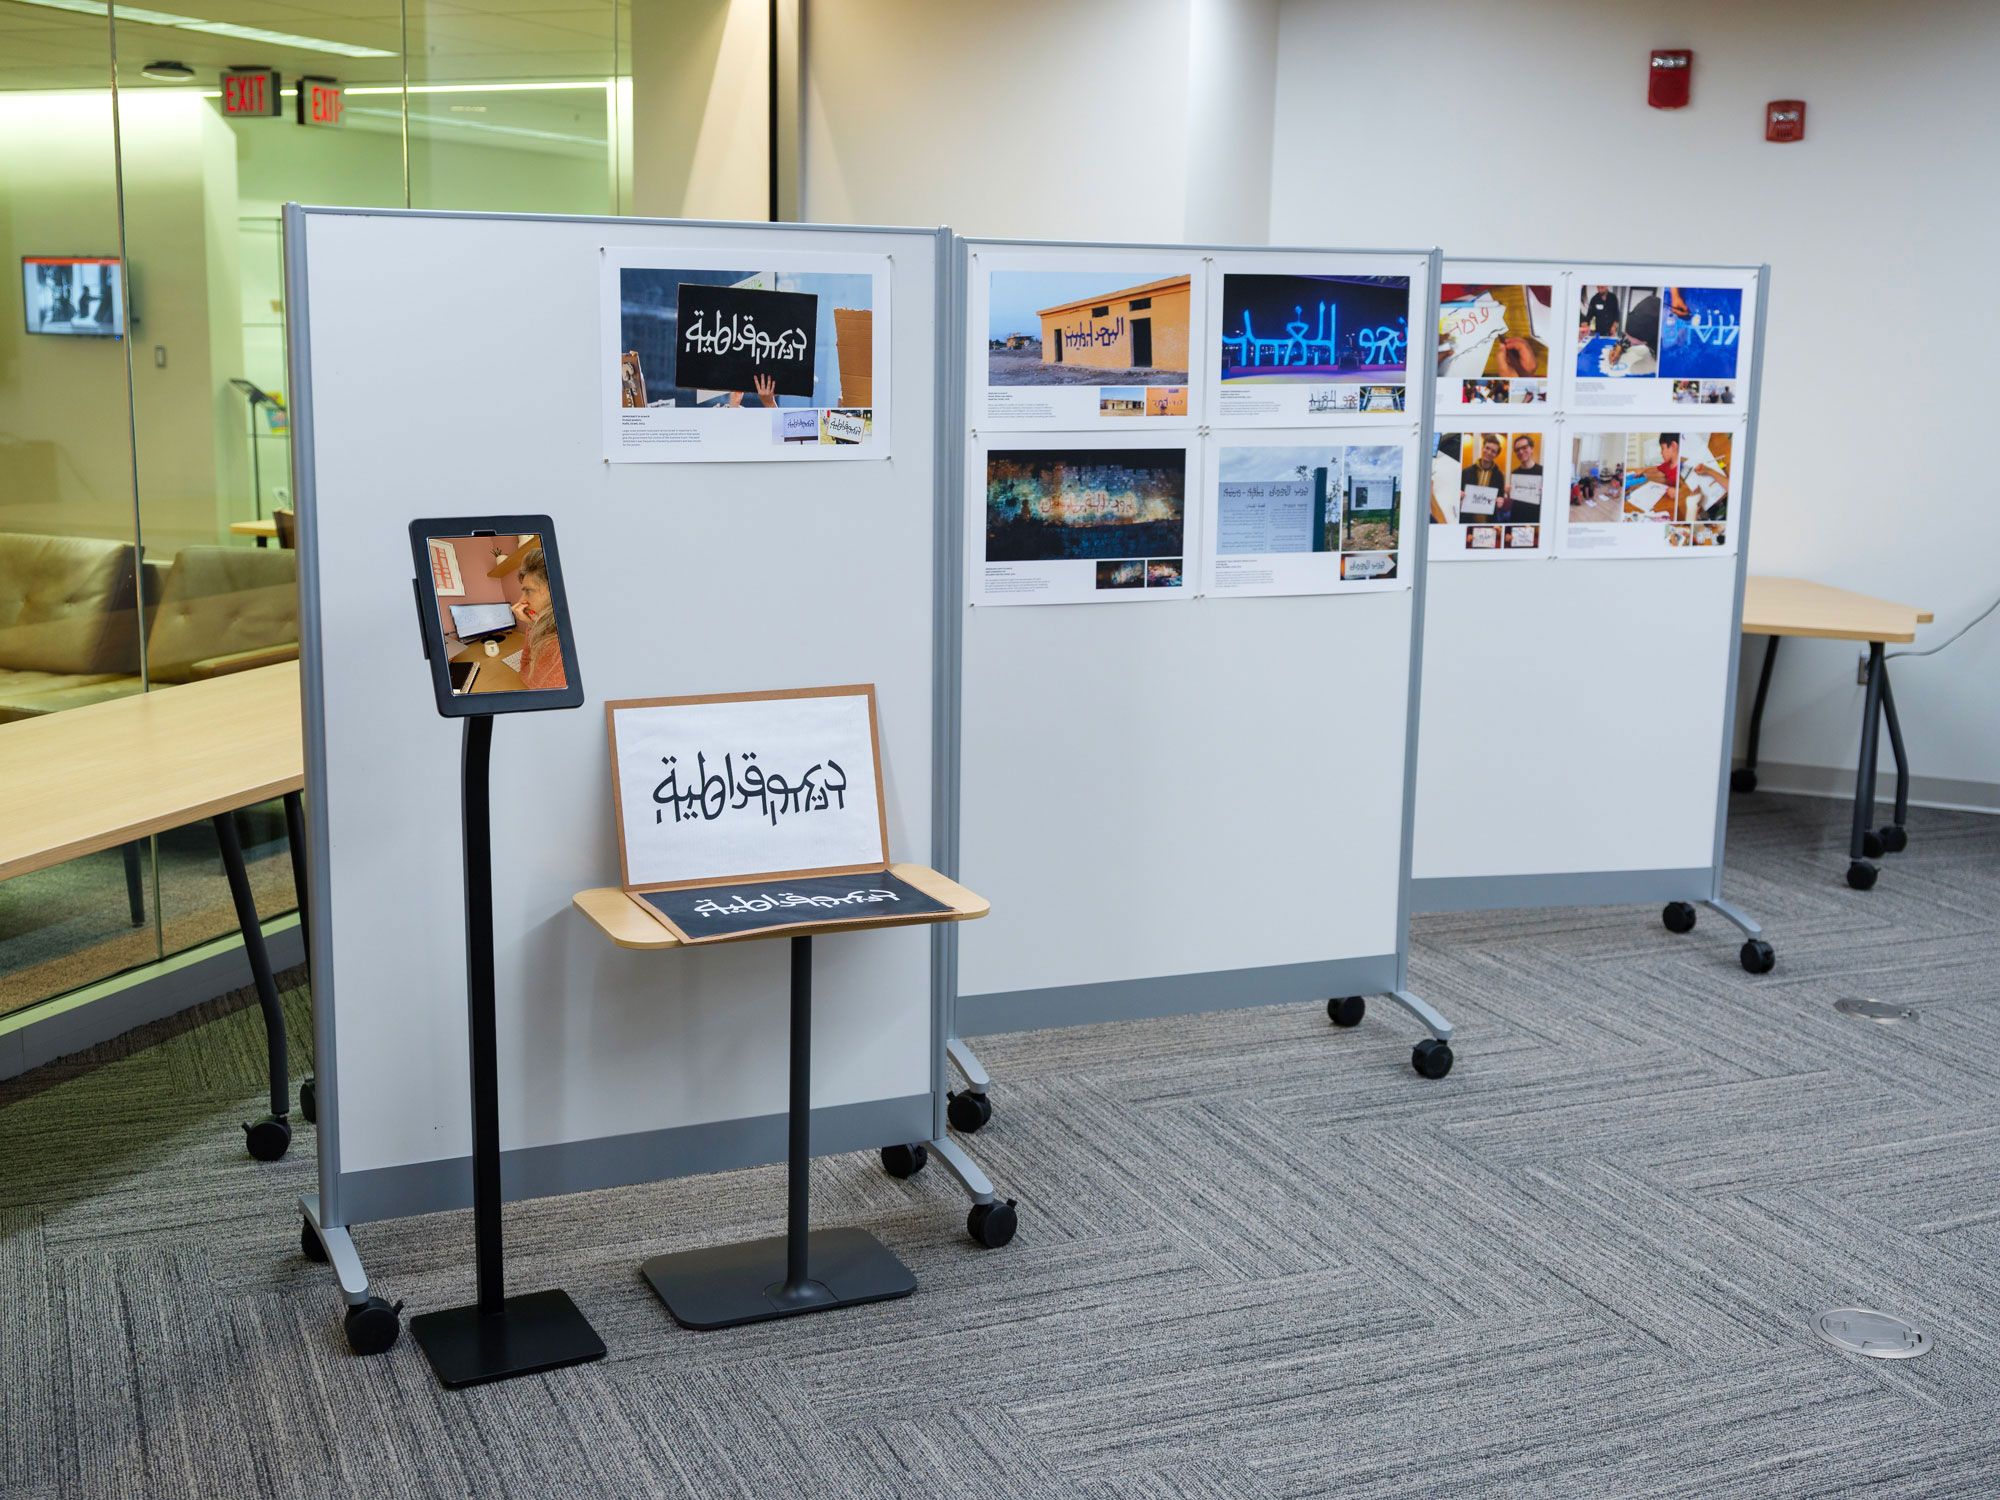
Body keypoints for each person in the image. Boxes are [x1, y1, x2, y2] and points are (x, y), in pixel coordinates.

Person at [509, 546, 568, 691]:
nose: (520, 601)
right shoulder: (551, 633)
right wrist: (533, 626)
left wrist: (534, 627)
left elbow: (526, 674)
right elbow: (527, 668)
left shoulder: (559, 649)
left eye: (528, 591)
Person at [1460, 434, 1505, 520]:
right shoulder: (1466, 472)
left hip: (1489, 521)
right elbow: (1458, 493)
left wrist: (1500, 502)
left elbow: (1500, 498)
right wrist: (1459, 495)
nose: (1489, 452)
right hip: (1467, 520)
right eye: (1487, 448)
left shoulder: (1499, 476)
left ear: (1496, 455)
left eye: (1493, 451)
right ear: (1482, 448)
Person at [1507, 434, 1543, 522]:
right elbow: (1514, 499)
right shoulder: (1514, 473)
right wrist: (1508, 493)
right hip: (1516, 518)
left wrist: (1545, 494)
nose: (1521, 452)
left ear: (1532, 448)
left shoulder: (1543, 472)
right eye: (1517, 450)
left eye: (1524, 447)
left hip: (1535, 518)